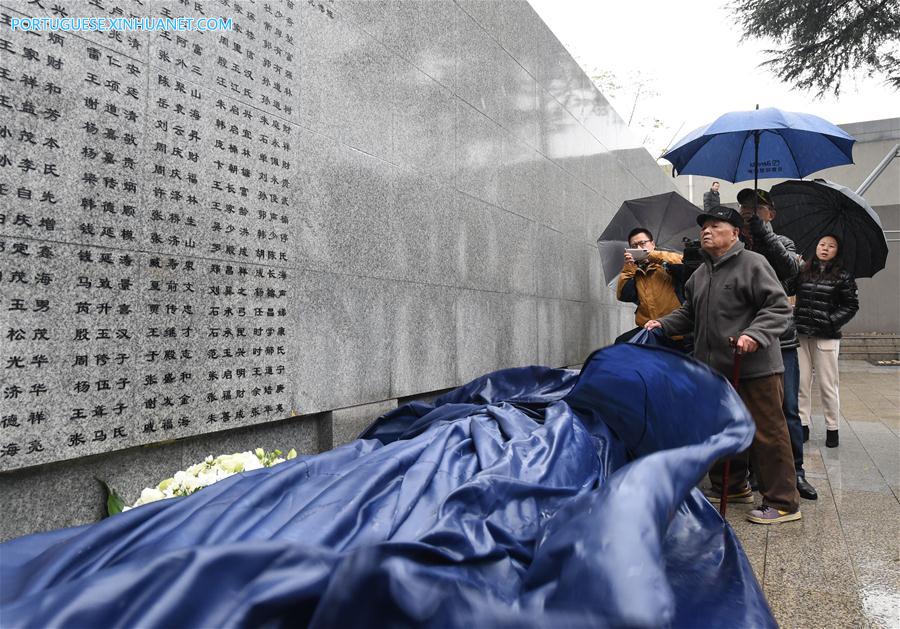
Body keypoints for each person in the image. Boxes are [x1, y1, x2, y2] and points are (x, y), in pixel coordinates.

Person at [645, 205, 801, 525]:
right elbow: (689, 313)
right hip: (716, 371)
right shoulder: (700, 274)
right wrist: (661, 324)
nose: (707, 230)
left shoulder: (754, 264)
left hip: (755, 368)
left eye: (716, 225)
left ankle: (783, 501)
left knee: (767, 433)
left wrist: (754, 334)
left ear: (735, 233)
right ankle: (731, 486)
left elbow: (777, 308)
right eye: (704, 226)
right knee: (722, 429)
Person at [737, 188, 817, 500]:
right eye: (744, 206)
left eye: (757, 206)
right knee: (753, 408)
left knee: (788, 410)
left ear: (771, 213)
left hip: (781, 340)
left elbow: (788, 270)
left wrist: (762, 231)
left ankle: (796, 471)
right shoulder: (736, 245)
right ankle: (757, 471)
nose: (748, 210)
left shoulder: (785, 243)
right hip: (747, 340)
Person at [794, 234, 859, 448]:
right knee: (802, 383)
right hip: (802, 334)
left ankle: (833, 429)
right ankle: (802, 425)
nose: (825, 248)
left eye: (831, 246)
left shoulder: (843, 276)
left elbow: (851, 305)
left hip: (826, 338)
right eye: (822, 244)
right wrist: (792, 263)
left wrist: (831, 322)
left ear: (836, 252)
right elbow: (788, 288)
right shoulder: (803, 271)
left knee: (827, 385)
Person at [614, 227, 683, 345]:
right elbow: (623, 295)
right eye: (634, 246)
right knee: (621, 343)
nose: (639, 248)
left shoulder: (665, 263)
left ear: (652, 244)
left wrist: (651, 255)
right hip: (648, 329)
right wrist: (629, 267)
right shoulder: (635, 271)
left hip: (675, 329)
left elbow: (682, 262)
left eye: (642, 243)